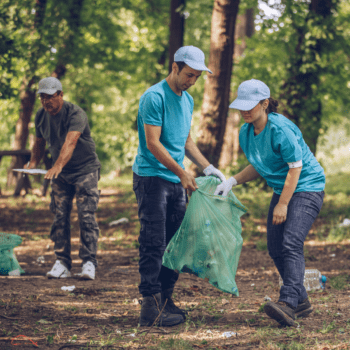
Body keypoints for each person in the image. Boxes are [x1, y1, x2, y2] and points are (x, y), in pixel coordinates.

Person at [214, 79, 325, 327]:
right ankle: (302, 300)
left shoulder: (280, 129)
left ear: (265, 104)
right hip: (284, 187)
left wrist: (283, 204)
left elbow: (295, 168)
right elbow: (259, 165)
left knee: (291, 242)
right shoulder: (246, 131)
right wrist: (232, 181)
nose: (244, 110)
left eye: (250, 105)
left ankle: (288, 303)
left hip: (307, 186)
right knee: (275, 247)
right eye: (241, 105)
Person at [132, 46, 226, 327]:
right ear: (175, 67)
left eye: (197, 77)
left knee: (176, 243)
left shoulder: (188, 100)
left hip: (175, 179)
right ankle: (149, 306)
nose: (192, 81)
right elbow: (153, 143)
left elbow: (185, 142)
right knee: (154, 241)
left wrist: (208, 167)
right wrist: (182, 172)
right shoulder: (154, 97)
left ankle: (165, 298)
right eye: (188, 75)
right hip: (152, 178)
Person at [27, 77, 101, 280]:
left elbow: (71, 142)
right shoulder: (41, 115)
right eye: (42, 97)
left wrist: (57, 165)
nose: (46, 101)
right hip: (61, 174)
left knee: (86, 215)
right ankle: (62, 263)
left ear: (60, 95)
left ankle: (88, 262)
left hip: (85, 169)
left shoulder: (75, 113)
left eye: (50, 97)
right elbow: (39, 142)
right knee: (60, 216)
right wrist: (33, 162)